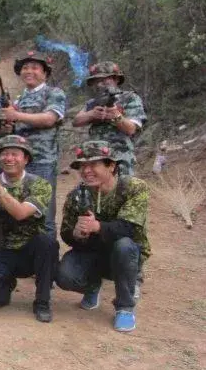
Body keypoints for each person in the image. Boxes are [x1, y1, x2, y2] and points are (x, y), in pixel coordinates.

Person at [55, 141, 150, 332]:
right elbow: (66, 233)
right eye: (82, 166)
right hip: (92, 252)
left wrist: (97, 226)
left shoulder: (134, 188)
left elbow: (129, 228)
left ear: (111, 166)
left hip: (123, 253)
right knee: (64, 276)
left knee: (124, 245)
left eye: (93, 164)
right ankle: (92, 286)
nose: (86, 171)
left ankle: (125, 307)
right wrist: (75, 234)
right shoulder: (77, 195)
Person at [0, 135, 59, 323]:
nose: (9, 158)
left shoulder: (40, 185)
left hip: (29, 251)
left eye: (14, 154)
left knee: (48, 243)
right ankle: (5, 284)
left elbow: (20, 213)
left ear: (26, 159)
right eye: (4, 154)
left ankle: (42, 302)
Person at [0, 52, 67, 234]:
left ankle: (48, 251)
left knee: (44, 215)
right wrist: (7, 126)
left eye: (35, 68)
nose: (29, 71)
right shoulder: (19, 100)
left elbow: (49, 119)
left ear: (45, 73)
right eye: (25, 68)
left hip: (42, 161)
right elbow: (11, 132)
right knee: (18, 208)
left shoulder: (54, 93)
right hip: (18, 163)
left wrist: (16, 115)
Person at [72, 61, 146, 176]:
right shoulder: (93, 102)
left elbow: (131, 129)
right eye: (96, 81)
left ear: (116, 79)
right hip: (96, 157)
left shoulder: (130, 98)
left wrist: (116, 116)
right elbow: (76, 121)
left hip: (120, 156)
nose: (99, 84)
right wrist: (91, 114)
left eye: (103, 80)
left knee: (122, 185)